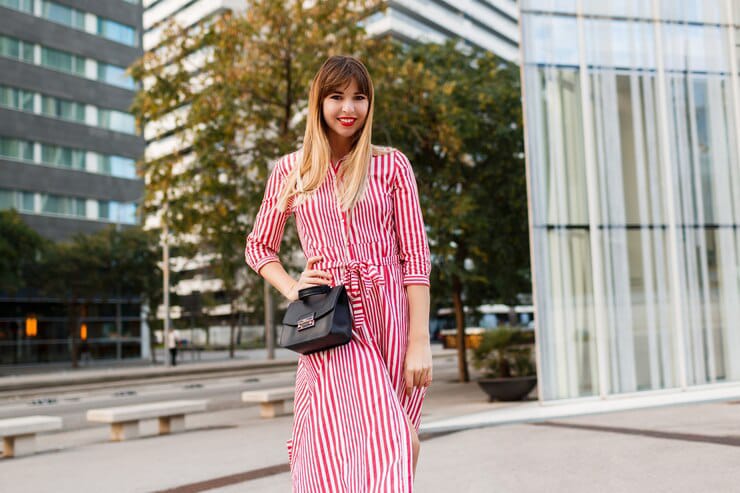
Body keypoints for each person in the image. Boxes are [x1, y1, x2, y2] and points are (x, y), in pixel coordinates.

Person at [245, 55, 433, 492]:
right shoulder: (291, 171)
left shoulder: (391, 167)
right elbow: (258, 247)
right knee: (368, 441)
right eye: (336, 97)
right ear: (319, 102)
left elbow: (416, 259)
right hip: (333, 319)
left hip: (391, 315)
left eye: (359, 98)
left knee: (402, 434)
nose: (348, 108)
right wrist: (292, 286)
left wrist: (419, 341)